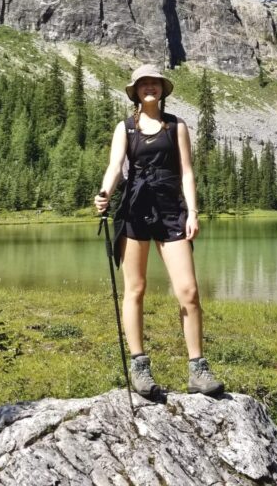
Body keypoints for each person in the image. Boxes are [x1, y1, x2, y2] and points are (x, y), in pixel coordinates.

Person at [94, 64, 224, 398]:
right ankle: (139, 367)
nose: (149, 88)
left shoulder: (177, 126)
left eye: (155, 83)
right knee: (135, 289)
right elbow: (115, 167)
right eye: (143, 84)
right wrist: (105, 193)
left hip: (171, 210)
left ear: (162, 90)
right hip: (135, 208)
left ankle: (198, 369)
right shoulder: (125, 128)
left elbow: (186, 172)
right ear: (135, 91)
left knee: (189, 291)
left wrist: (193, 212)